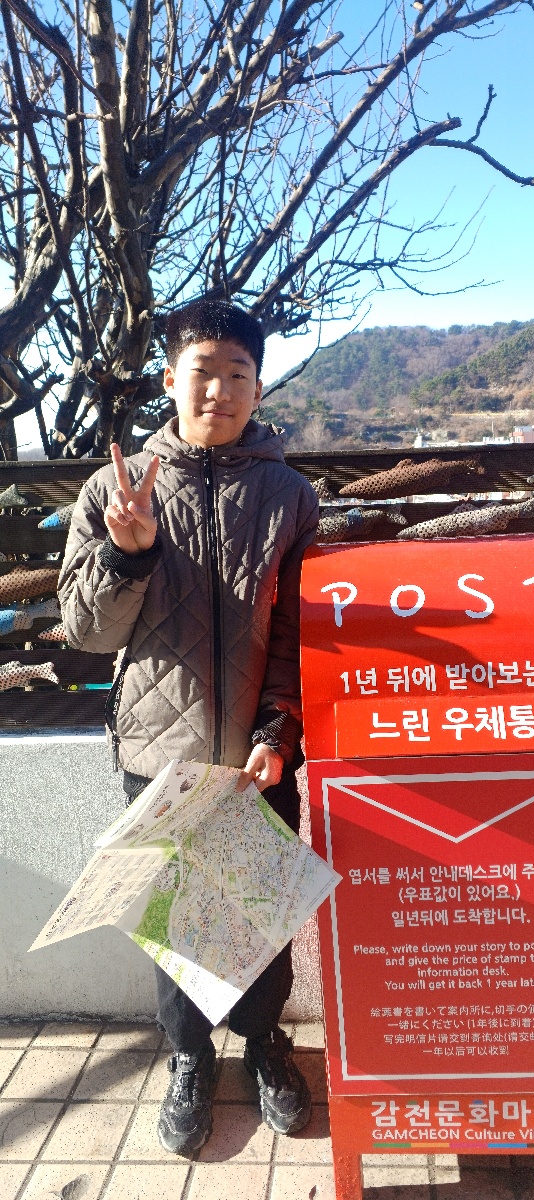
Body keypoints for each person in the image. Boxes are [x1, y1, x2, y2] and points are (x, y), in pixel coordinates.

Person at [58, 300, 319, 1155]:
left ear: (257, 386)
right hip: (159, 752)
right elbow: (86, 632)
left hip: (257, 753)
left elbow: (298, 632)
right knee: (175, 919)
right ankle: (188, 1054)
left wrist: (278, 729)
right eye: (202, 372)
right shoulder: (115, 488)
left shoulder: (289, 496)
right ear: (170, 380)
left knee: (260, 911)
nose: (220, 390)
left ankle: (264, 1043)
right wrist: (126, 552)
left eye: (238, 374)